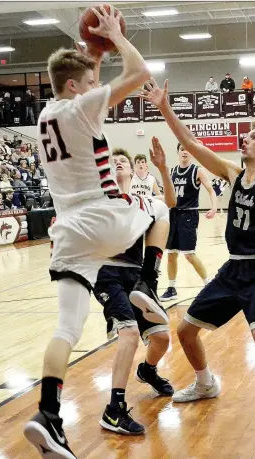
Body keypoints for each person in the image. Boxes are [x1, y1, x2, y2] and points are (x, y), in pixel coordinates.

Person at [23, 7, 169, 459]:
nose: (95, 88)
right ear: (75, 88)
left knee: (67, 326)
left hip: (67, 231)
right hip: (102, 218)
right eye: (88, 83)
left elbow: (84, 80)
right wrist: (115, 39)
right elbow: (139, 71)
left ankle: (47, 415)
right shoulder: (85, 105)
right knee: (161, 208)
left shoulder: (49, 112)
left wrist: (92, 55)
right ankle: (149, 280)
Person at [141, 77, 255, 446]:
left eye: (254, 136)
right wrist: (164, 107)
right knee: (186, 329)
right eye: (248, 136)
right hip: (232, 268)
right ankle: (206, 383)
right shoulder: (234, 174)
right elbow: (190, 143)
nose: (246, 139)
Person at [93, 139, 176, 435]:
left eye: (123, 161)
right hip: (106, 273)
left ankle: (147, 371)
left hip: (136, 275)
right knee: (128, 333)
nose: (118, 163)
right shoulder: (100, 197)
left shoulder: (144, 202)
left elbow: (170, 204)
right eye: (112, 161)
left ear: (132, 170)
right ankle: (113, 410)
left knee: (163, 338)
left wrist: (163, 167)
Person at [159, 142, 217, 302]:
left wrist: (214, 207)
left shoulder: (197, 171)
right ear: (177, 152)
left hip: (189, 216)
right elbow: (167, 197)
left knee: (189, 255)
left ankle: (208, 285)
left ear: (191, 153)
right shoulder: (172, 172)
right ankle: (171, 288)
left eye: (187, 149)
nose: (184, 152)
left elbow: (211, 190)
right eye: (182, 149)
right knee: (171, 254)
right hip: (173, 215)